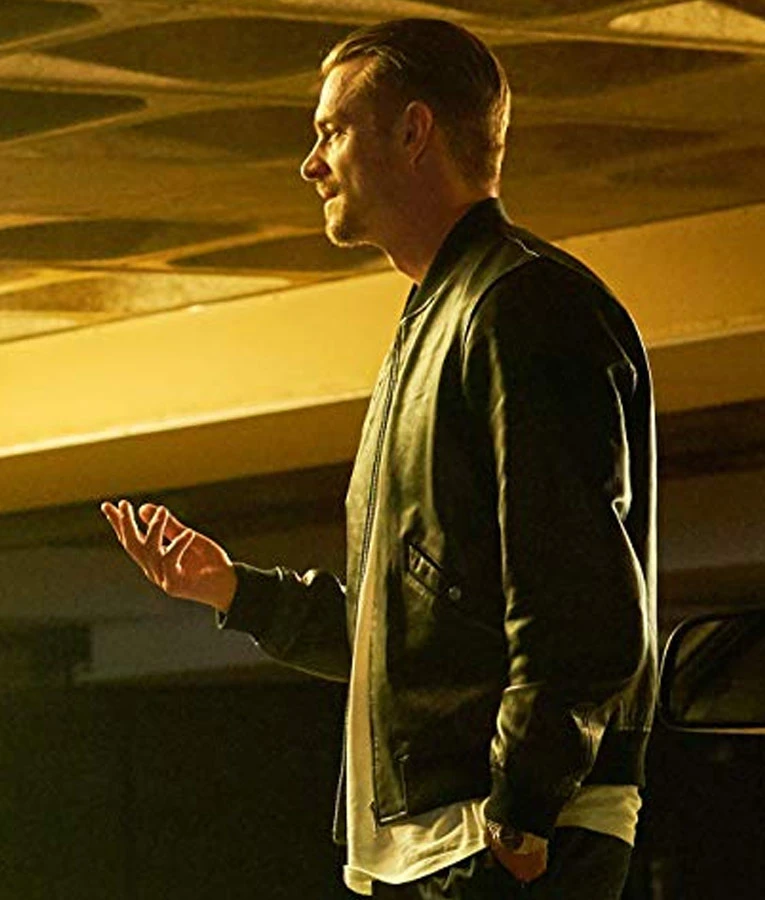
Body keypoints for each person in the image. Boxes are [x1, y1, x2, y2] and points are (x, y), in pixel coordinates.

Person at [102, 18, 657, 899]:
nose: (310, 165)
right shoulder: (442, 318)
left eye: (330, 132)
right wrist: (236, 592)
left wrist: (522, 807)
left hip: (494, 834)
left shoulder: (521, 306)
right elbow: (410, 628)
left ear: (412, 132)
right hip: (435, 839)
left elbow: (578, 595)